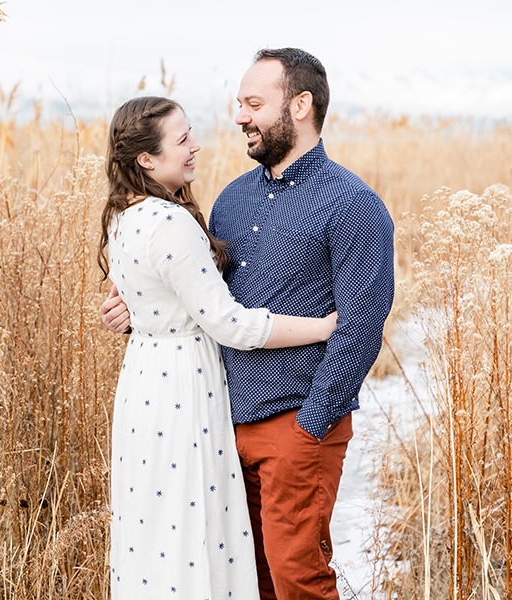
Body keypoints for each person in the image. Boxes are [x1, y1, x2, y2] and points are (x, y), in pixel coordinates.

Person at [101, 50, 395, 600]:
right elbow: (205, 303)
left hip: (296, 425)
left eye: (253, 104)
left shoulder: (354, 204)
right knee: (243, 580)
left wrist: (311, 427)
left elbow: (361, 326)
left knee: (298, 579)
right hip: (214, 426)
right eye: (239, 103)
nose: (239, 117)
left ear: (300, 106)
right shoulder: (232, 200)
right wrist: (137, 316)